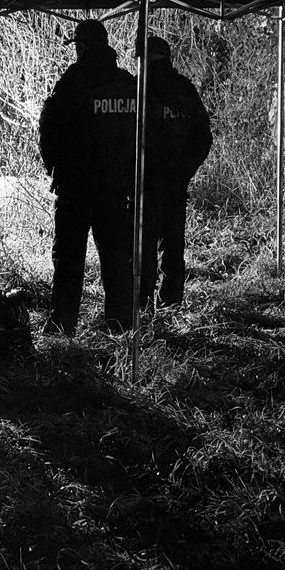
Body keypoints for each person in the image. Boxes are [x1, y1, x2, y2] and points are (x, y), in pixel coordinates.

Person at [39, 19, 136, 335]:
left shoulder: (73, 81)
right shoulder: (126, 85)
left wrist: (54, 170)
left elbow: (48, 128)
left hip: (75, 190)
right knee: (116, 262)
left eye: (78, 44)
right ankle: (121, 328)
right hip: (115, 190)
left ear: (83, 46)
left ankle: (63, 327)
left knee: (69, 263)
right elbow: (143, 136)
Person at [140, 36, 212, 309]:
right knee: (173, 245)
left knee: (143, 246)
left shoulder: (138, 88)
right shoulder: (184, 89)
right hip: (176, 181)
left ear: (143, 57)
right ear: (167, 57)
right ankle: (171, 304)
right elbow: (203, 136)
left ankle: (143, 306)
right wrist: (184, 171)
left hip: (144, 182)